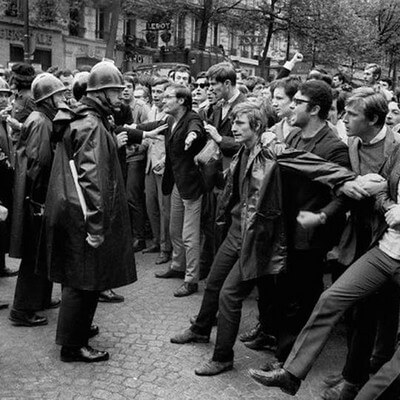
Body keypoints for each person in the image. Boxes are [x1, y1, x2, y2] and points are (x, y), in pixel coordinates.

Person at [170, 101, 360, 377]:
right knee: (212, 283)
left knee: (230, 294)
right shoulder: (242, 151)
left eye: (239, 124)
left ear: (257, 127)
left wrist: (346, 179)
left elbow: (313, 165)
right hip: (236, 231)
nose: (233, 128)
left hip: (255, 238)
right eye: (233, 122)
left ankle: (222, 356)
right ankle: (200, 329)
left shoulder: (273, 149)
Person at [42, 61, 138, 362]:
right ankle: (74, 345)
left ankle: (76, 335)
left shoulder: (85, 119)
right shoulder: (92, 125)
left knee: (79, 280)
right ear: (101, 92)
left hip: (74, 211)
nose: (121, 95)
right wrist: (96, 226)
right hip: (84, 215)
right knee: (84, 283)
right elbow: (93, 179)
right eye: (116, 90)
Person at [135, 84, 207, 297]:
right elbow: (147, 127)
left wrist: (192, 136)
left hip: (191, 187)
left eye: (168, 97)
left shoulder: (192, 118)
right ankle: (178, 265)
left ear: (182, 101)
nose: (162, 101)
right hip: (176, 183)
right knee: (174, 229)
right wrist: (125, 127)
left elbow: (197, 127)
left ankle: (191, 279)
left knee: (189, 235)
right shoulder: (169, 120)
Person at [8, 73, 66, 327]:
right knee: (34, 255)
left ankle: (40, 299)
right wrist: (41, 201)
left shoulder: (40, 118)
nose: (63, 99)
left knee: (41, 252)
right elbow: (40, 164)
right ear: (48, 98)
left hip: (34, 197)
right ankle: (22, 309)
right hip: (37, 198)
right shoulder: (41, 121)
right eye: (59, 95)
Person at [144, 77, 172, 264]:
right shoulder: (152, 110)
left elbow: (172, 142)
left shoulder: (170, 114)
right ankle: (155, 241)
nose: (156, 95)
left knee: (165, 209)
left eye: (160, 92)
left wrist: (164, 160)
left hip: (163, 165)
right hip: (149, 164)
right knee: (150, 204)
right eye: (153, 92)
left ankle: (165, 248)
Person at [0, 77, 17, 278]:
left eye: (5, 95)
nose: (4, 99)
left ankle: (1, 265)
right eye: (0, 95)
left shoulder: (5, 120)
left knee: (2, 228)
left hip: (4, 179)